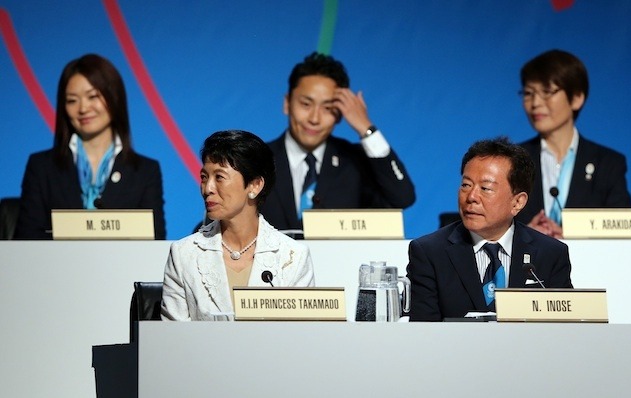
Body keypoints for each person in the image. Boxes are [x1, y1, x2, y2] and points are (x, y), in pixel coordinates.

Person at [407, 137, 572, 322]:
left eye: (485, 188)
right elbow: (423, 333)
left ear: (517, 202)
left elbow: (564, 330)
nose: (471, 197)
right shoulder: (429, 253)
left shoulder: (550, 254)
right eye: (466, 185)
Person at [161, 130, 315, 321]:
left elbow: (301, 338)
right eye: (204, 177)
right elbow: (171, 340)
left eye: (219, 177)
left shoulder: (292, 258)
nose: (208, 188)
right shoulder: (183, 255)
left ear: (255, 185)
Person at [260, 52, 416, 233]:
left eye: (328, 108)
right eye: (306, 104)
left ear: (341, 113)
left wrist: (367, 129)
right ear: (287, 103)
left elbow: (403, 198)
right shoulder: (256, 160)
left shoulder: (355, 162)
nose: (315, 118)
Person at [15, 54, 166, 239]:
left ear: (114, 98)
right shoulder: (41, 167)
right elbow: (25, 241)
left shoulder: (145, 171)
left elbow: (154, 242)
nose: (83, 108)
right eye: (72, 100)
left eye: (93, 96)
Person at [515, 49, 631, 239]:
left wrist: (572, 235)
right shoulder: (511, 160)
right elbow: (489, 225)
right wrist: (522, 234)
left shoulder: (608, 164)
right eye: (528, 93)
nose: (535, 102)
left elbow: (624, 230)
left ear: (577, 97)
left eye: (546, 92)